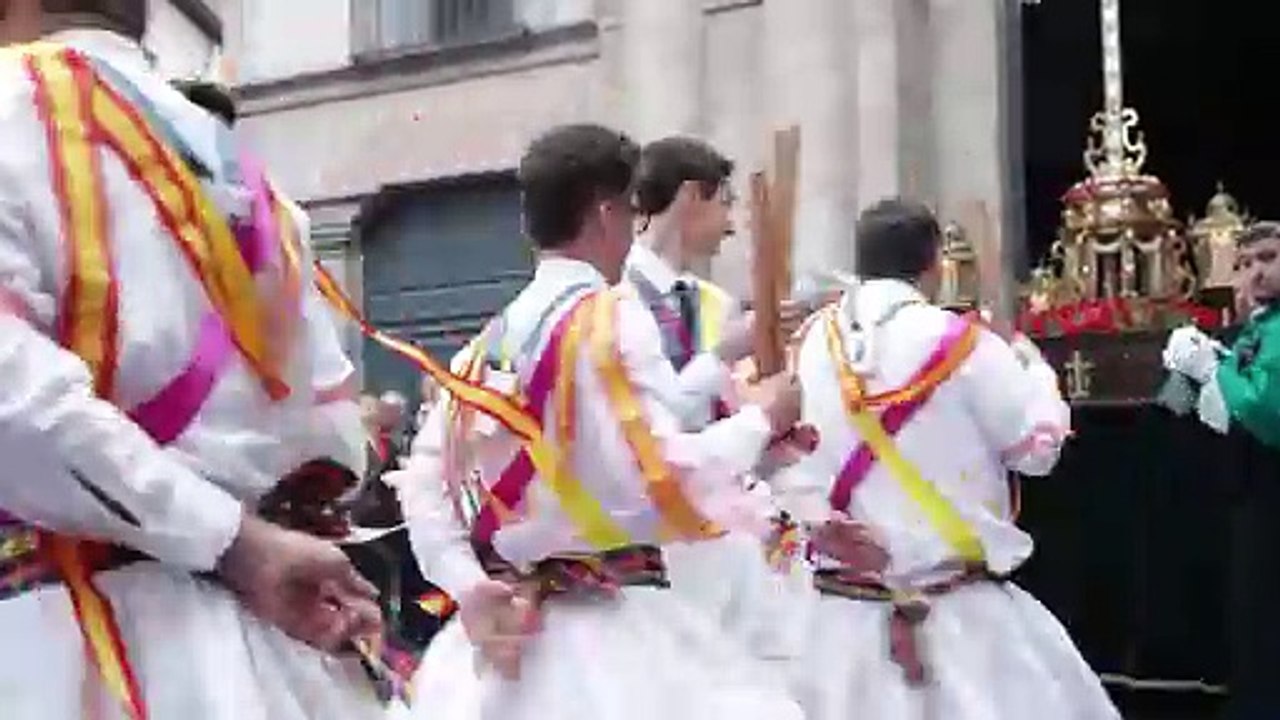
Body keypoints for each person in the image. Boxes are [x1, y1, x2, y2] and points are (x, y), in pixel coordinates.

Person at [0, 2, 385, 717]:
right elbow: (332, 426)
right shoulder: (234, 162)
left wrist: (231, 540)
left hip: (71, 650)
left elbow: (12, 406)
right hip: (270, 647)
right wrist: (252, 538)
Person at [393, 123, 805, 720]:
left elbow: (426, 486)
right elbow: (665, 472)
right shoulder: (614, 321)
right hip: (614, 641)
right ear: (606, 213)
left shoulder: (485, 346)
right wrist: (766, 419)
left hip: (507, 643)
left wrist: (466, 583)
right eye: (632, 212)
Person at [770, 199, 1120, 719]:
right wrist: (1030, 366)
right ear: (934, 263)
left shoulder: (807, 343)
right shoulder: (966, 344)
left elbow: (782, 460)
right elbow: (1037, 452)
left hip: (834, 625)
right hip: (959, 621)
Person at [624, 135, 810, 663]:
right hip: (651, 531)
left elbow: (725, 415)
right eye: (725, 201)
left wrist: (774, 418)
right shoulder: (615, 296)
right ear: (690, 196)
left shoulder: (715, 302)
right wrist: (727, 351)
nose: (732, 224)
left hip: (722, 531)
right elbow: (646, 420)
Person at [1163, 221, 1280, 719]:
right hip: (1243, 494)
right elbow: (1178, 411)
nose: (1256, 272)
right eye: (1246, 263)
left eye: (1269, 258)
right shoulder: (1250, 330)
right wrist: (1182, 375)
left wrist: (1214, 369)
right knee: (1249, 620)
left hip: (1272, 495)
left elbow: (1266, 412)